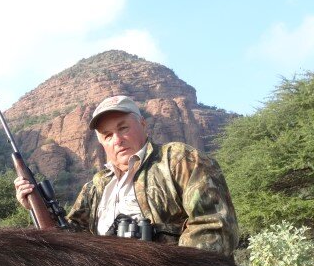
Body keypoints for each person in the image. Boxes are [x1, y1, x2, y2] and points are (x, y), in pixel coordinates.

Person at [14, 95, 239, 257]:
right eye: (108, 135)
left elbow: (215, 226)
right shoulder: (96, 187)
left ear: (143, 125)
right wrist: (35, 206)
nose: (117, 140)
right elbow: (70, 240)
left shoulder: (179, 159)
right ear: (101, 142)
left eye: (123, 128)